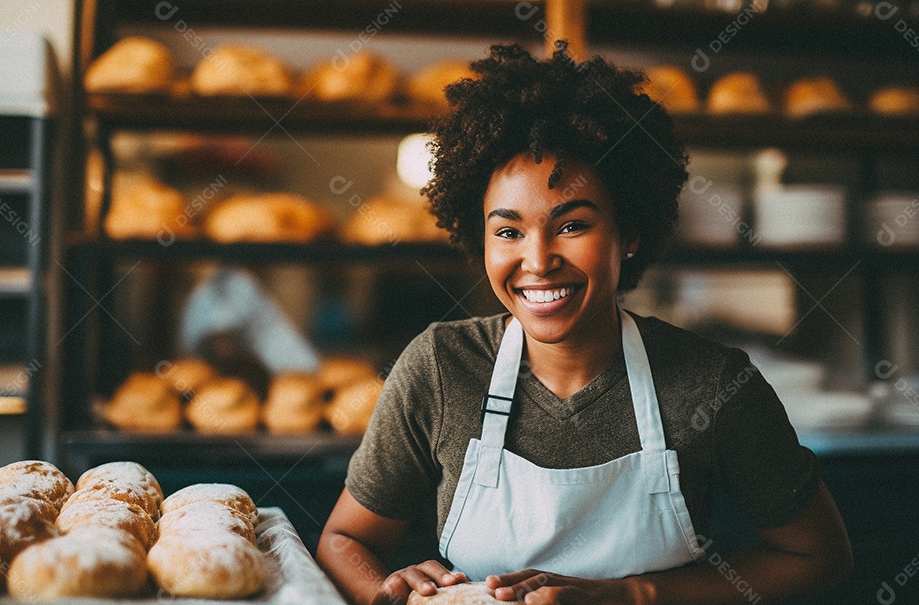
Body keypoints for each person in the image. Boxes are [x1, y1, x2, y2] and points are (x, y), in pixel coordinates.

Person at [317, 43, 852, 605]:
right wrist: (388, 592)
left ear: (629, 234)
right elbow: (345, 539)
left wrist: (633, 596)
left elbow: (820, 557)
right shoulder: (441, 367)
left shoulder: (711, 384)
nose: (537, 260)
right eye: (508, 231)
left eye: (572, 225)